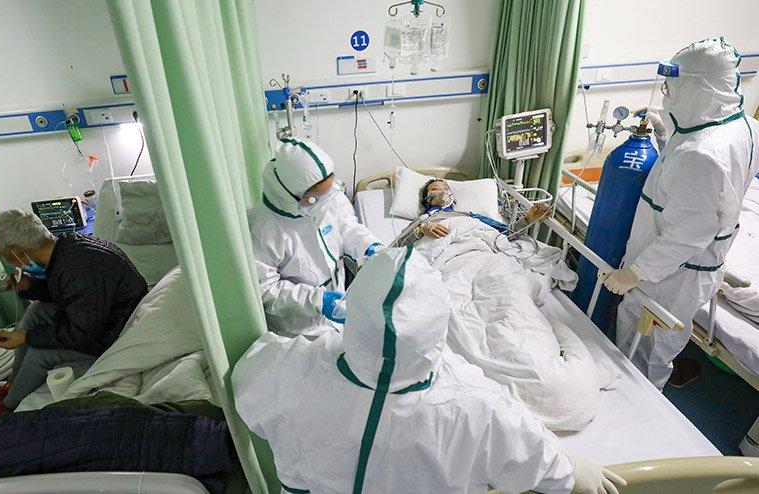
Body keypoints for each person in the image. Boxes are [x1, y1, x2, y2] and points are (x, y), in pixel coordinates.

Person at [233, 247, 625, 494]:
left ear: (354, 312)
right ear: (439, 326)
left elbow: (245, 382)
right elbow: (527, 450)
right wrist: (571, 471)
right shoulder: (473, 402)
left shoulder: (291, 366)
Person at [603, 37, 759, 389]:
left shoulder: (702, 154)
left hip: (669, 278)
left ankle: (637, 404)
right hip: (698, 264)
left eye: (675, 85)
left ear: (700, 87)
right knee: (658, 342)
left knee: (645, 348)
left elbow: (687, 234)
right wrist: (664, 132)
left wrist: (636, 273)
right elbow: (692, 178)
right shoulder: (744, 126)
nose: (667, 93)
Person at [0, 209, 148, 417]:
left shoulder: (77, 268)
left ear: (15, 251)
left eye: (2, 252)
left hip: (116, 331)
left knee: (40, 353)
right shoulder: (65, 248)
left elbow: (81, 334)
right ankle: (12, 384)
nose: (2, 257)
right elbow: (67, 293)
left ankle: (8, 405)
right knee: (36, 310)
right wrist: (29, 286)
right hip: (101, 314)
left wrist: (26, 337)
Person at [249, 139, 382, 337]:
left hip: (338, 302)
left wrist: (370, 246)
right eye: (314, 199)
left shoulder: (328, 195)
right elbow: (267, 289)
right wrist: (318, 301)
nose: (325, 202)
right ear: (291, 196)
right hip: (300, 328)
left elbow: (346, 226)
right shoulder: (262, 228)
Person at [392, 178, 550, 246]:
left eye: (445, 188)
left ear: (452, 196)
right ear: (426, 198)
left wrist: (528, 219)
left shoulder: (469, 216)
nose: (441, 191)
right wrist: (422, 229)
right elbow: (397, 246)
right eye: (435, 189)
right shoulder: (422, 222)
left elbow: (507, 234)